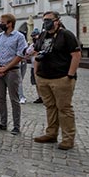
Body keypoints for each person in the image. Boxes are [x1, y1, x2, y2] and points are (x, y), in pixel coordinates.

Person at [32, 10, 82, 150]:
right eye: (44, 20)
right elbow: (36, 53)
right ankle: (51, 133)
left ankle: (68, 138)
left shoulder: (66, 35)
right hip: (44, 77)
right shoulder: (43, 35)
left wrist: (70, 75)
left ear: (57, 21)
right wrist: (36, 73)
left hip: (61, 77)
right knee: (50, 107)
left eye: (49, 19)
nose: (46, 22)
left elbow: (76, 55)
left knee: (64, 108)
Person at [0, 14, 27, 135]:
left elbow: (20, 55)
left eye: (2, 22)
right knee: (1, 98)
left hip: (12, 70)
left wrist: (6, 68)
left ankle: (16, 126)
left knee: (14, 99)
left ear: (10, 24)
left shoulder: (19, 37)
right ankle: (3, 123)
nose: (0, 24)